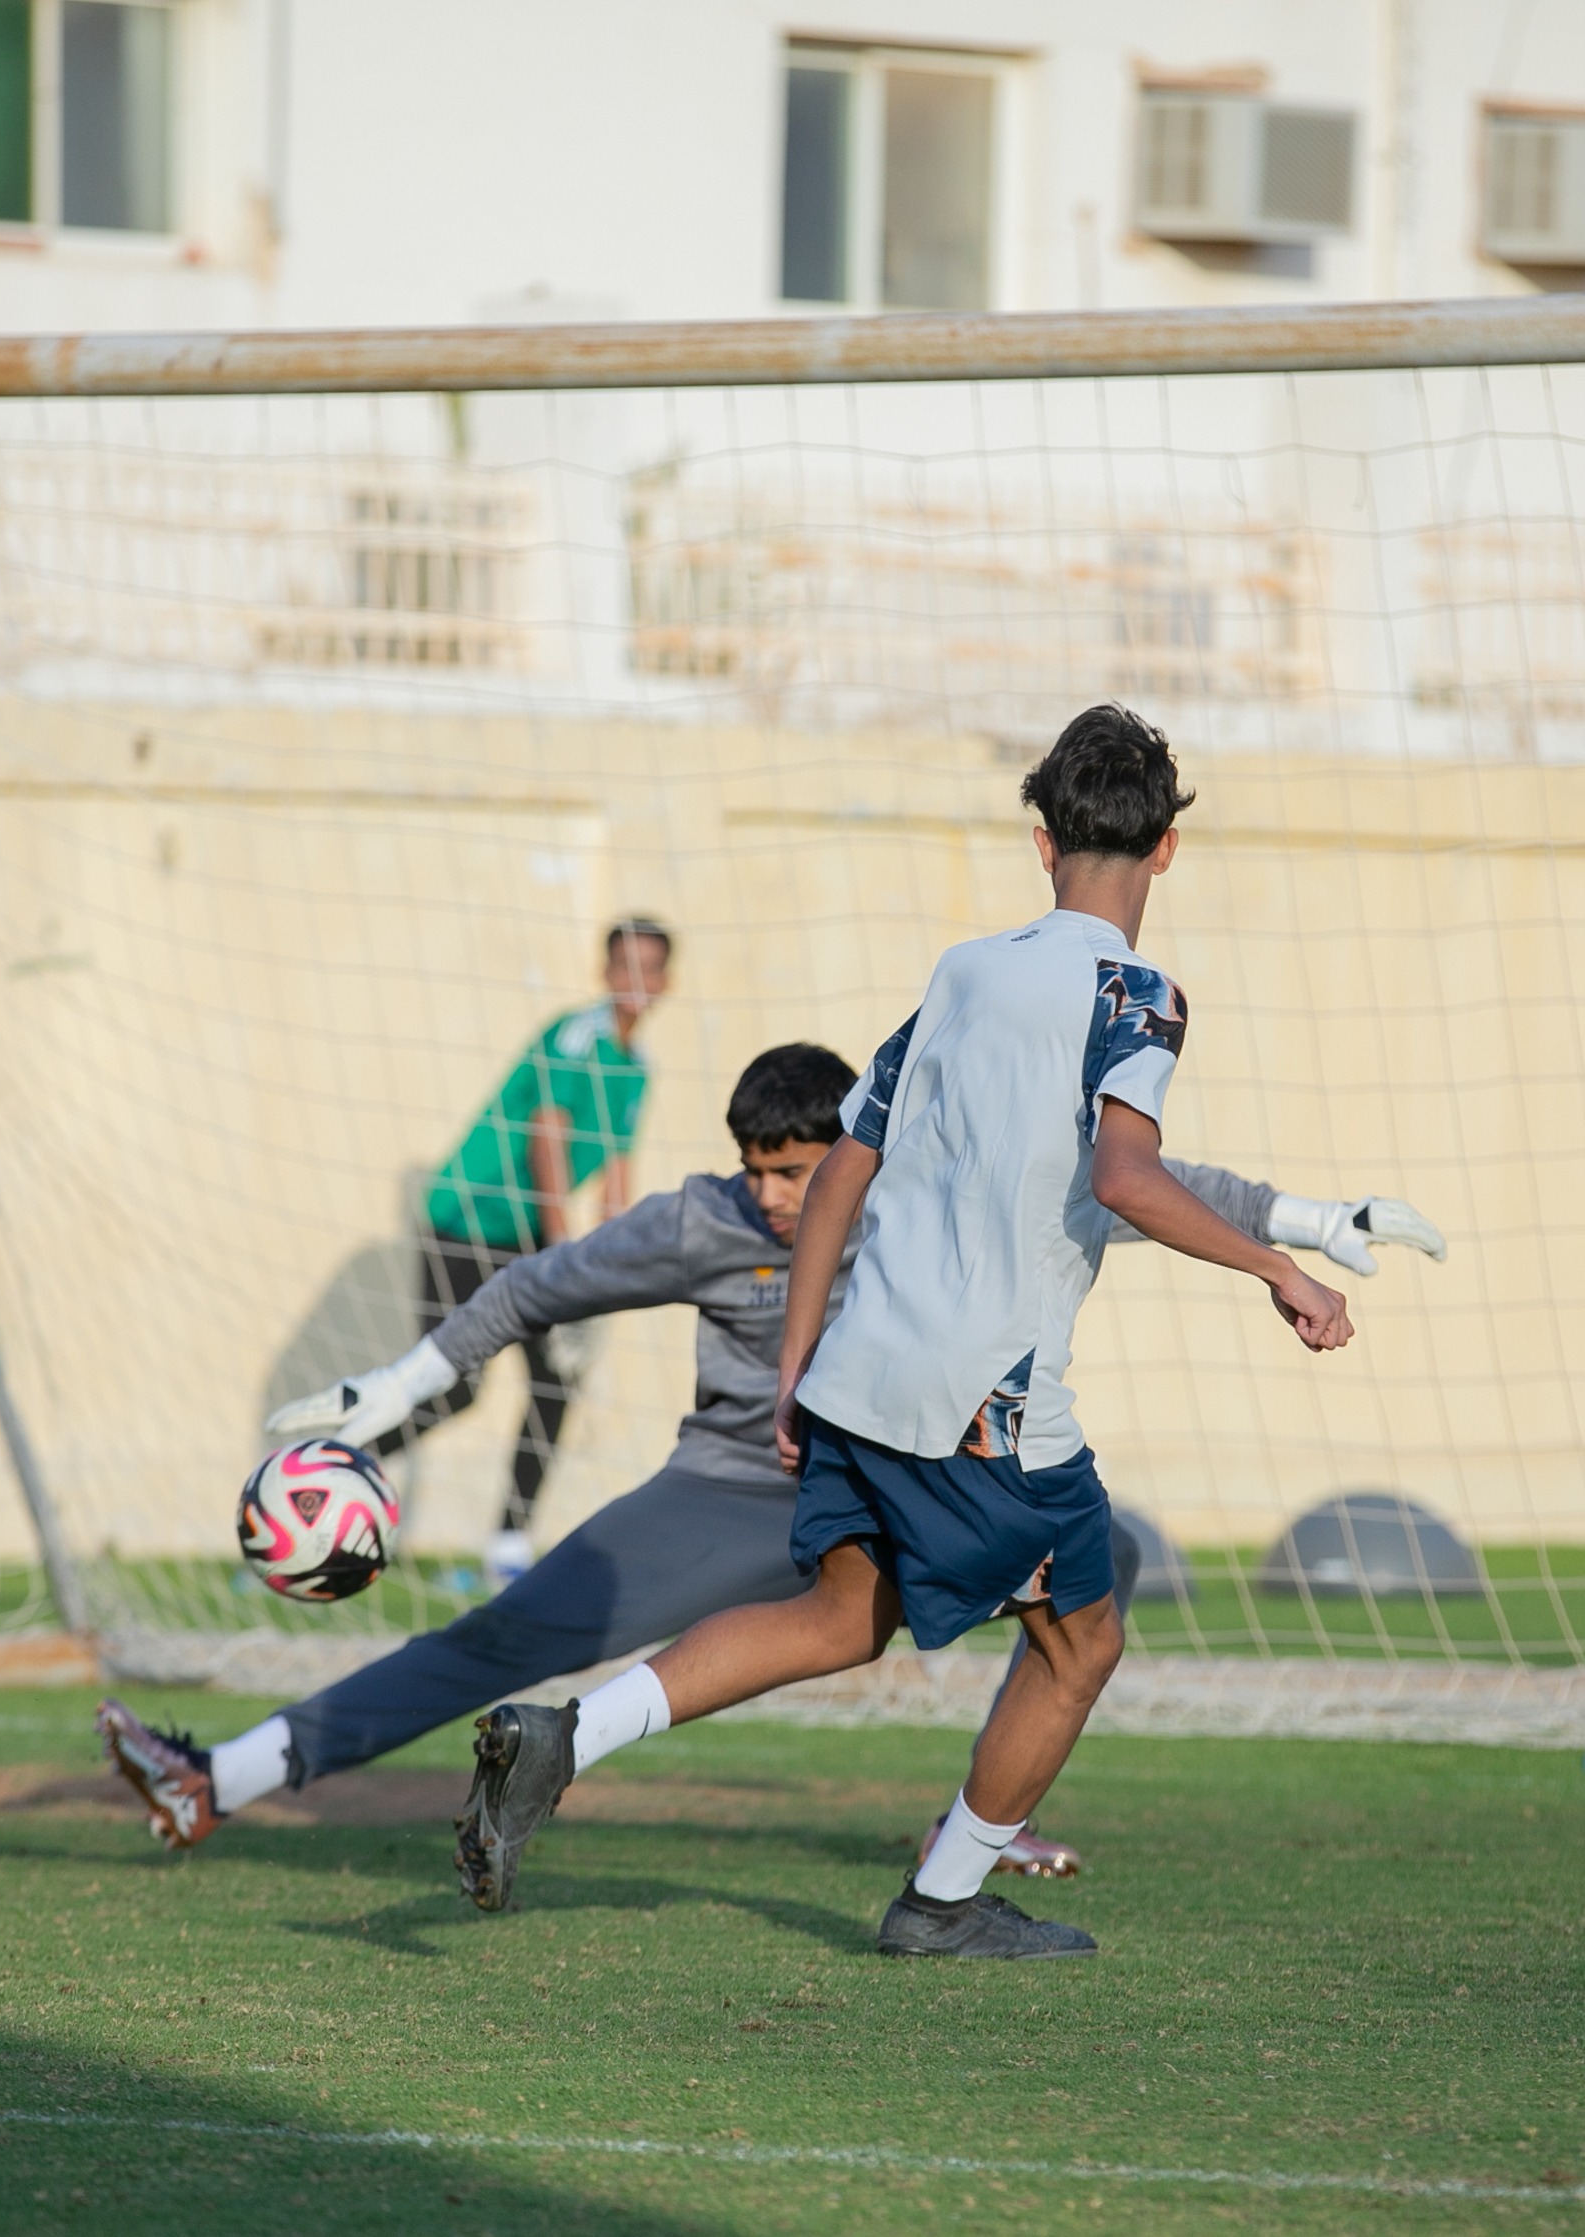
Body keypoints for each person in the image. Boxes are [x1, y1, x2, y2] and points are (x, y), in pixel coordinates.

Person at [450, 704, 1359, 1957]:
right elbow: (1128, 1175)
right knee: (1080, 1637)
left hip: (859, 1365)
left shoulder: (963, 971)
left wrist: (794, 1366)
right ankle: (941, 1901)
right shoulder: (1137, 993)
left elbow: (839, 1175)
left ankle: (567, 1732)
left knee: (841, 1615)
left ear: (1042, 842)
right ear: (1167, 851)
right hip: (985, 1398)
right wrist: (1279, 1268)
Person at [98, 1038, 1437, 1866]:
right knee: (504, 1640)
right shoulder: (697, 1221)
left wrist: (1312, 1219)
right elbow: (529, 1292)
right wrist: (389, 1391)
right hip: (730, 1490)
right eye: (762, 1174)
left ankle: (978, 1835)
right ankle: (219, 1781)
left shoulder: (920, 1186)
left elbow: (1128, 1176)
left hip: (902, 1480)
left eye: (804, 1172)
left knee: (1081, 1615)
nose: (783, 1199)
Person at [391, 919, 673, 1587]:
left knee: (555, 1379)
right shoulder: (572, 1037)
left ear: (666, 982)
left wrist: (611, 1264)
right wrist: (561, 1247)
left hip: (530, 1238)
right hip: (467, 1220)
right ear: (605, 972)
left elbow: (616, 1170)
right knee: (451, 1389)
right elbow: (547, 1137)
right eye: (624, 965)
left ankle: (509, 1546)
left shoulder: (638, 1070)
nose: (636, 980)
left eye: (650, 968)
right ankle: (328, 1473)